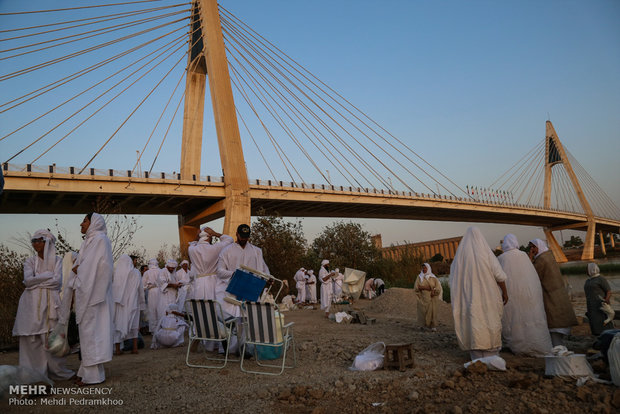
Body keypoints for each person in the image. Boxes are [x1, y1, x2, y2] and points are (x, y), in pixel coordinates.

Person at [12, 229, 74, 381]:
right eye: (33, 241)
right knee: (30, 340)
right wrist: (47, 276)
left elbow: (56, 282)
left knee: (51, 338)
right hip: (30, 305)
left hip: (51, 303)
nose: (35, 244)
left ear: (47, 243)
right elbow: (27, 281)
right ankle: (32, 375)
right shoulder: (30, 261)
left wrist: (36, 280)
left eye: (38, 240)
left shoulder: (57, 261)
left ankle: (54, 371)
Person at [450, 227, 508, 360]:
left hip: (469, 299)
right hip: (488, 297)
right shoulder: (486, 253)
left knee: (473, 322)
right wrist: (505, 292)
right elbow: (499, 275)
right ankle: (492, 356)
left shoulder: (460, 256)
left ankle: (476, 357)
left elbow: (453, 279)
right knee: (489, 321)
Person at [72, 213, 114, 385]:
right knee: (88, 333)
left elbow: (92, 268)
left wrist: (77, 269)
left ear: (93, 222)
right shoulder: (89, 241)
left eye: (84, 220)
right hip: (88, 293)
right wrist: (77, 268)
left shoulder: (99, 240)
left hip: (94, 295)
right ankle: (85, 370)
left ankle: (93, 376)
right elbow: (82, 265)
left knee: (92, 333)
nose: (81, 223)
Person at [216, 224, 269, 353]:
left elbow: (263, 269)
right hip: (233, 290)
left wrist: (268, 278)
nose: (244, 239)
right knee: (233, 319)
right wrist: (234, 274)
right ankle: (230, 349)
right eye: (242, 236)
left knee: (248, 319)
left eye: (247, 237)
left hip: (250, 289)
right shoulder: (226, 250)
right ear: (236, 234)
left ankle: (246, 348)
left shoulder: (257, 251)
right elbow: (220, 271)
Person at [498, 234, 552, 356]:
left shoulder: (502, 258)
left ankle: (518, 347)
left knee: (514, 319)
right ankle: (538, 345)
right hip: (529, 295)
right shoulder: (524, 256)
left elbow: (498, 278)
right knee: (531, 317)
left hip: (512, 295)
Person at [528, 238, 578, 346]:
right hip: (558, 295)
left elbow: (532, 274)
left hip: (551, 297)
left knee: (555, 325)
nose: (532, 249)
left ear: (539, 246)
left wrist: (529, 259)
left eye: (533, 247)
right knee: (560, 325)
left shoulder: (541, 260)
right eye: (530, 247)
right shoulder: (548, 256)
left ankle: (558, 350)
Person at [189, 227, 234, 305]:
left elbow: (193, 243)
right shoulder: (215, 248)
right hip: (212, 282)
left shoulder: (192, 249)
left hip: (199, 283)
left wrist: (197, 236)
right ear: (210, 236)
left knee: (200, 308)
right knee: (214, 307)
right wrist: (215, 233)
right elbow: (230, 240)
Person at [111, 254, 145, 355]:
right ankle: (134, 348)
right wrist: (142, 301)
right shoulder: (136, 272)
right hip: (133, 302)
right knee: (134, 325)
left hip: (119, 304)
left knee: (118, 325)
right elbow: (140, 288)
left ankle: (117, 350)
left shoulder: (116, 273)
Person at [584, 262, 614, 335]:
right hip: (591, 305)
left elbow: (609, 291)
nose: (586, 271)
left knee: (603, 320)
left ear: (592, 269)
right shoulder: (588, 280)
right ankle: (597, 335)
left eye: (587, 269)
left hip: (600, 304)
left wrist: (606, 301)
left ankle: (607, 335)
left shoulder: (601, 279)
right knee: (593, 320)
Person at [414, 263, 441, 331]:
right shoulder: (419, 277)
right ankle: (422, 325)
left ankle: (433, 326)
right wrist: (426, 287)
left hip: (431, 298)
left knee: (432, 312)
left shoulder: (433, 278)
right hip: (422, 298)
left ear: (428, 268)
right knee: (422, 312)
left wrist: (432, 290)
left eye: (425, 268)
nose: (424, 269)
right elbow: (416, 287)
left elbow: (438, 288)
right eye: (423, 268)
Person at [157, 259, 181, 326]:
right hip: (165, 295)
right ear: (167, 266)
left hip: (173, 295)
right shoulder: (162, 271)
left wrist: (178, 285)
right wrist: (173, 285)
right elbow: (162, 282)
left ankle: (172, 326)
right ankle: (163, 327)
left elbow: (176, 281)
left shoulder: (174, 273)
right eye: (170, 268)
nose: (172, 269)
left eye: (173, 268)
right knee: (164, 310)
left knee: (173, 310)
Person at [142, 258, 161, 334]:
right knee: (160, 309)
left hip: (151, 291)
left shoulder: (147, 273)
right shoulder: (161, 271)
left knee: (152, 310)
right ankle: (161, 328)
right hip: (160, 291)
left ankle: (153, 330)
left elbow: (143, 285)